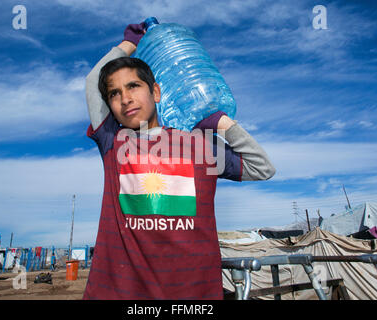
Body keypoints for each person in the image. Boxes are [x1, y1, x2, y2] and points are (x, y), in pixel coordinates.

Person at [83, 22, 276, 300]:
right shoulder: (114, 140)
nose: (125, 99)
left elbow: (263, 167)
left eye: (134, 86)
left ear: (157, 93)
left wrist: (220, 121)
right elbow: (93, 82)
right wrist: (130, 43)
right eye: (115, 93)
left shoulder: (199, 144)